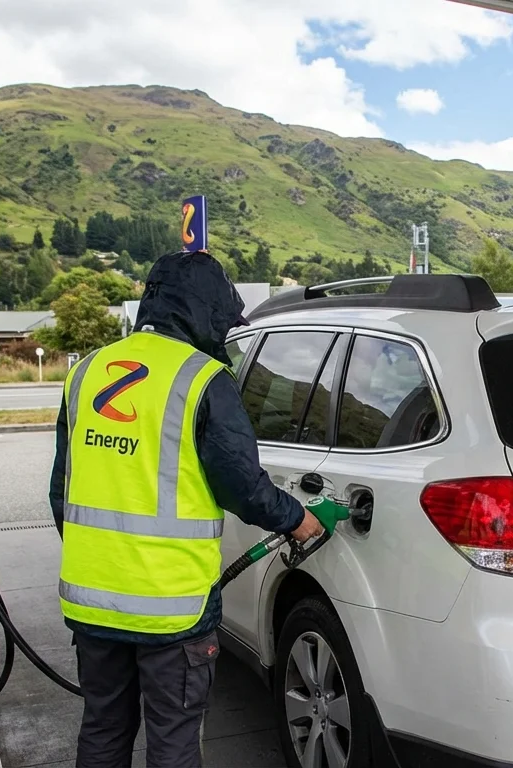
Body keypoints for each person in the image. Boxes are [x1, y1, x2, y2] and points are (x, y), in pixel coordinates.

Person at [49, 250, 325, 768]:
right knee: (173, 739)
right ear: (204, 311)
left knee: (104, 728)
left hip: (91, 603)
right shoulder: (202, 379)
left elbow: (59, 493)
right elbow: (240, 485)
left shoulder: (85, 372)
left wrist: (105, 563)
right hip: (170, 609)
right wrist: (296, 518)